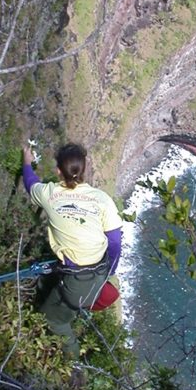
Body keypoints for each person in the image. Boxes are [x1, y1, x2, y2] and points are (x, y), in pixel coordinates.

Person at [22, 142, 122, 358]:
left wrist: (27, 162)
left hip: (78, 278)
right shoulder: (102, 199)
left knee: (54, 320)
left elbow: (30, 183)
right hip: (97, 270)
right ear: (83, 169)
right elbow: (114, 241)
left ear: (58, 170)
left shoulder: (49, 193)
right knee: (49, 287)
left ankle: (74, 362)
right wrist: (109, 273)